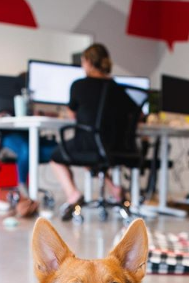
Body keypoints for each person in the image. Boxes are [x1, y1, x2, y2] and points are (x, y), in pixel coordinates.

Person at [49, 43, 136, 221]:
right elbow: (137, 113)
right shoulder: (118, 88)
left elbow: (72, 113)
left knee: (56, 156)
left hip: (89, 142)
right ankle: (115, 189)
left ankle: (73, 194)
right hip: (115, 145)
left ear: (87, 62)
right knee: (95, 155)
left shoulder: (79, 85)